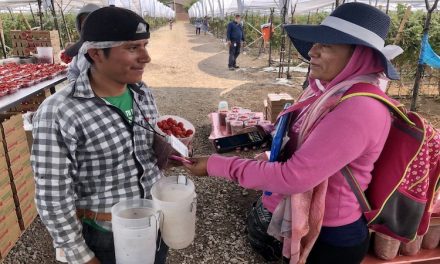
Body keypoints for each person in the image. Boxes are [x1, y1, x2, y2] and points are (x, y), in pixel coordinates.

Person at [184, 3, 403, 264]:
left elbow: (292, 177)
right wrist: (268, 135)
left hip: (330, 236)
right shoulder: (326, 93)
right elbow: (295, 135)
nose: (312, 52)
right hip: (310, 222)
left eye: (327, 45)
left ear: (359, 55)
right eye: (315, 43)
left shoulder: (361, 108)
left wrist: (216, 165)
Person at [31, 6, 170, 264]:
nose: (146, 57)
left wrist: (169, 149)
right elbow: (52, 196)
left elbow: (144, 149)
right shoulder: (60, 112)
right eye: (132, 48)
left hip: (154, 222)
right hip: (105, 238)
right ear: (96, 53)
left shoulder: (141, 93)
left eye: (145, 45)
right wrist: (81, 256)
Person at [65, 3, 100, 83]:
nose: (88, 28)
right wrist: (75, 85)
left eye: (92, 23)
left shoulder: (111, 48)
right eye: (84, 24)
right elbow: (73, 71)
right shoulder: (80, 49)